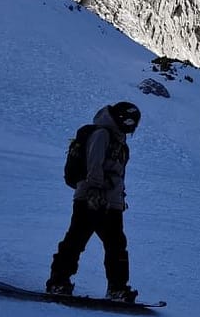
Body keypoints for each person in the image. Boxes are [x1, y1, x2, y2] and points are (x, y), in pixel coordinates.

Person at [46, 101, 141, 302]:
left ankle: (117, 288)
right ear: (121, 118)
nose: (132, 126)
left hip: (111, 202)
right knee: (77, 240)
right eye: (130, 121)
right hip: (91, 198)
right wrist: (95, 191)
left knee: (115, 245)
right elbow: (94, 164)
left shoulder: (119, 140)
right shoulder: (102, 135)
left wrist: (118, 199)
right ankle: (58, 281)